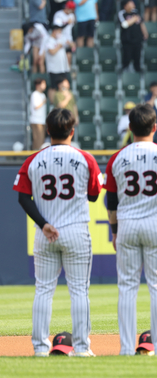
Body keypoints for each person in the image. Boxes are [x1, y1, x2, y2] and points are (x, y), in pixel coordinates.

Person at [13, 108, 103, 357]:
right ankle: (82, 348)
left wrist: (43, 223)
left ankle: (40, 349)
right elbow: (95, 195)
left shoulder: (33, 160)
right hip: (75, 230)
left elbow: (23, 197)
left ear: (48, 130)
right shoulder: (86, 158)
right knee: (79, 291)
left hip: (45, 232)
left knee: (43, 290)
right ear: (72, 131)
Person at [104, 104, 157, 356]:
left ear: (130, 128)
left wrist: (114, 230)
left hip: (127, 223)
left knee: (127, 287)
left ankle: (127, 349)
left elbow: (112, 201)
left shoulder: (117, 157)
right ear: (155, 127)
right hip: (156, 223)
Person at [119, 0, 148, 73]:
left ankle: (138, 73)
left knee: (137, 58)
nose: (133, 4)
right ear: (125, 5)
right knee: (127, 58)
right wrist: (133, 19)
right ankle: (124, 74)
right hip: (127, 41)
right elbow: (124, 25)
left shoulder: (136, 12)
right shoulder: (122, 13)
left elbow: (141, 23)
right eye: (130, 3)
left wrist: (145, 33)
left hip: (138, 40)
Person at [46, 28, 71, 102]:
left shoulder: (61, 39)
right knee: (53, 86)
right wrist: (59, 46)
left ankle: (63, 103)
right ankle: (52, 104)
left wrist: (68, 43)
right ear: (54, 31)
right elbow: (52, 51)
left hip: (63, 68)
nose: (60, 33)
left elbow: (72, 46)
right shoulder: (48, 40)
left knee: (65, 86)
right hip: (54, 69)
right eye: (59, 31)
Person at [53, 1, 77, 67]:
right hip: (59, 40)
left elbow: (72, 30)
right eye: (71, 9)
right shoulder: (58, 14)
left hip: (68, 40)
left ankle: (67, 75)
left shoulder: (72, 16)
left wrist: (73, 41)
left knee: (68, 58)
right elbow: (57, 29)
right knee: (60, 60)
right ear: (67, 8)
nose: (72, 11)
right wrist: (67, 23)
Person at [29, 78, 48, 150]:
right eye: (43, 84)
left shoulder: (43, 95)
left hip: (42, 120)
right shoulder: (34, 94)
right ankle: (35, 154)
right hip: (36, 120)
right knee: (37, 139)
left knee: (41, 139)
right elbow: (36, 106)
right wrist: (43, 102)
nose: (44, 86)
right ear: (37, 85)